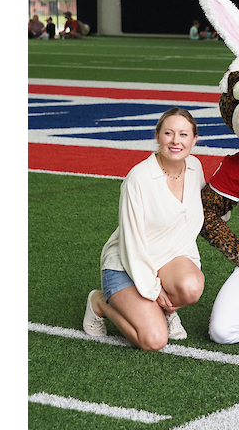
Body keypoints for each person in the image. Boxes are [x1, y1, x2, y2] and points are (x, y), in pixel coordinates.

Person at [83, 108, 206, 350]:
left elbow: (196, 216)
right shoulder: (139, 178)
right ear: (157, 136)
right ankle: (100, 303)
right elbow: (132, 243)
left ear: (194, 139)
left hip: (166, 261)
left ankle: (165, 311)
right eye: (168, 133)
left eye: (183, 134)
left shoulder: (195, 167)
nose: (175, 141)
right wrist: (151, 288)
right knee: (154, 340)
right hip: (126, 265)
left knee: (191, 286)